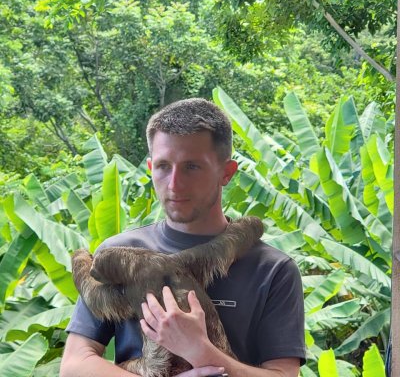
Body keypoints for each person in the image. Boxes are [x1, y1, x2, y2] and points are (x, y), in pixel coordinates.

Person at [60, 98, 306, 377]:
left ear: (226, 173)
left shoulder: (272, 269)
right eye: (163, 166)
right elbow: (74, 366)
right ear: (151, 168)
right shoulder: (119, 248)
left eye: (192, 167)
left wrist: (198, 349)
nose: (175, 184)